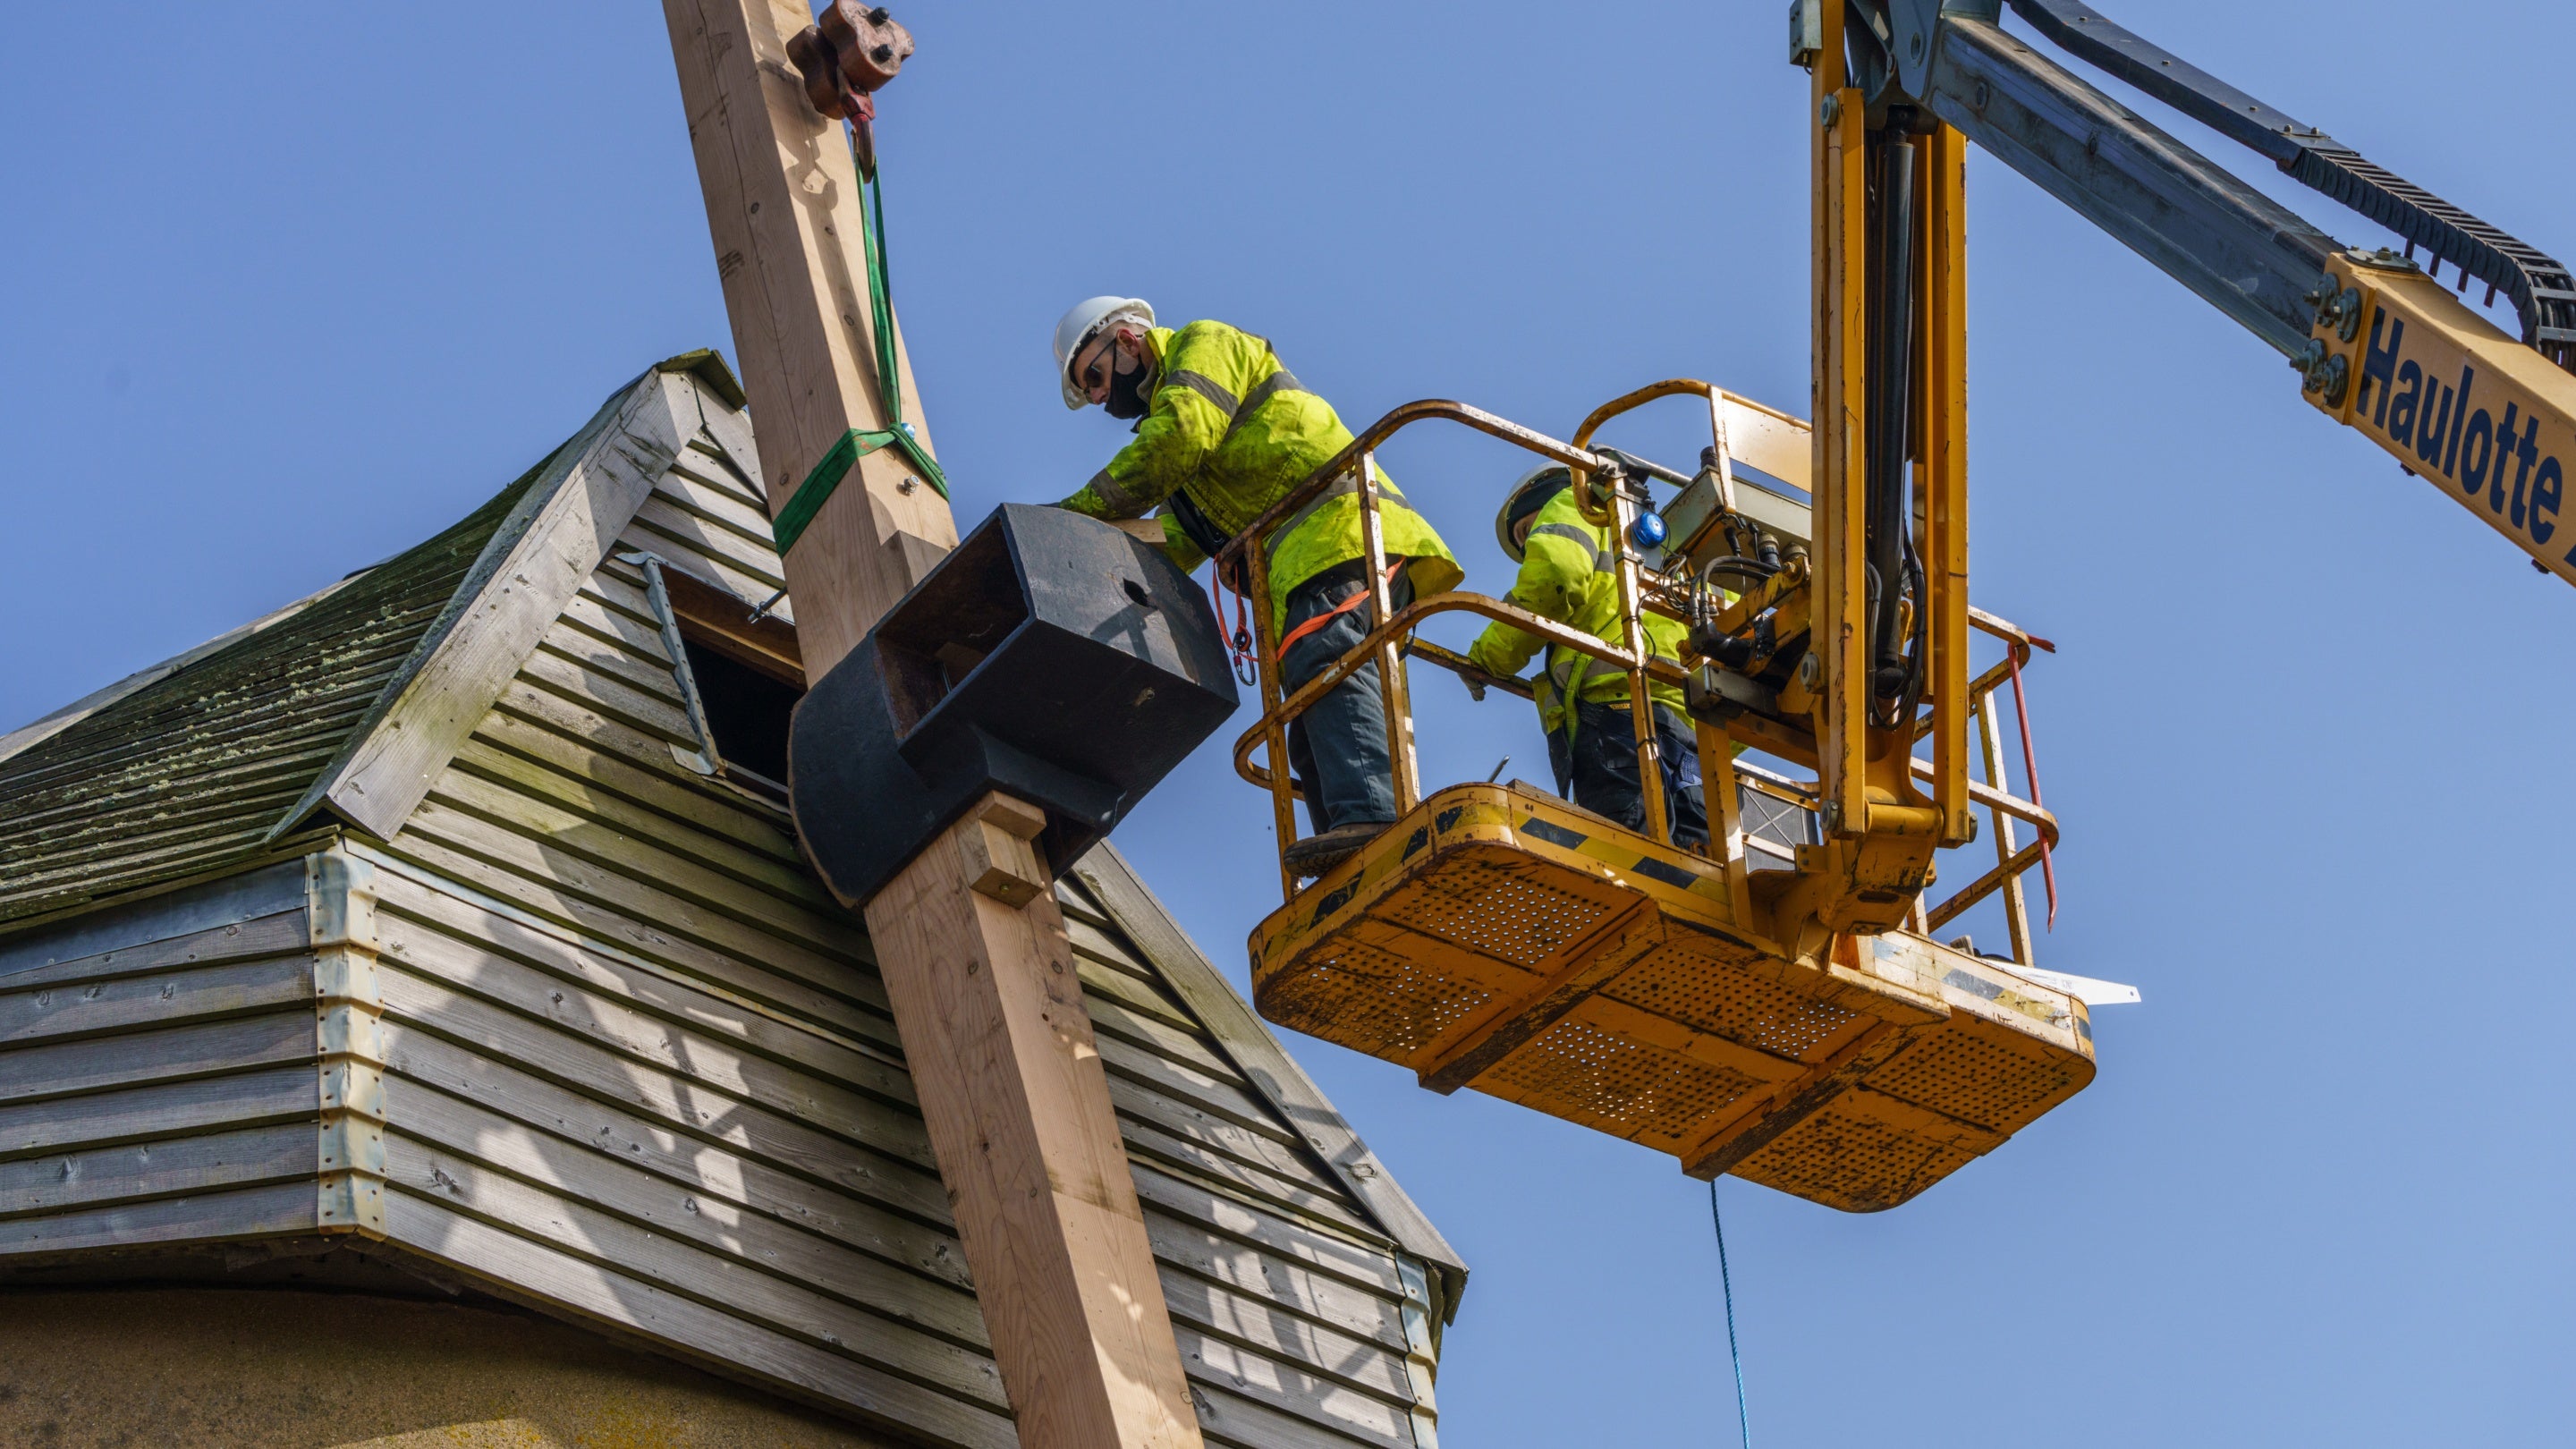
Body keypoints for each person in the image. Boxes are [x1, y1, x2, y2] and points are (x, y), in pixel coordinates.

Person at [1049, 296, 1461, 877]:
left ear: (1126, 340)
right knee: (1305, 701)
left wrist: (1073, 517)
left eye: (1092, 376)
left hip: (1345, 533)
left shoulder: (1202, 346)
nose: (1096, 397)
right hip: (1304, 561)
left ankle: (1376, 822)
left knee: (1328, 657)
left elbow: (1180, 437)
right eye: (1087, 391)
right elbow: (1177, 538)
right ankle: (1355, 855)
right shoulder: (1182, 437)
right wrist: (1073, 565)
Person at [1462, 465, 1708, 849]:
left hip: (1618, 727)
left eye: (1528, 532)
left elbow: (1554, 579)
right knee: (1700, 870)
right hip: (1695, 738)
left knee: (1630, 868)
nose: (1531, 547)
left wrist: (1485, 657)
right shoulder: (1671, 551)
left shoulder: (1574, 503)